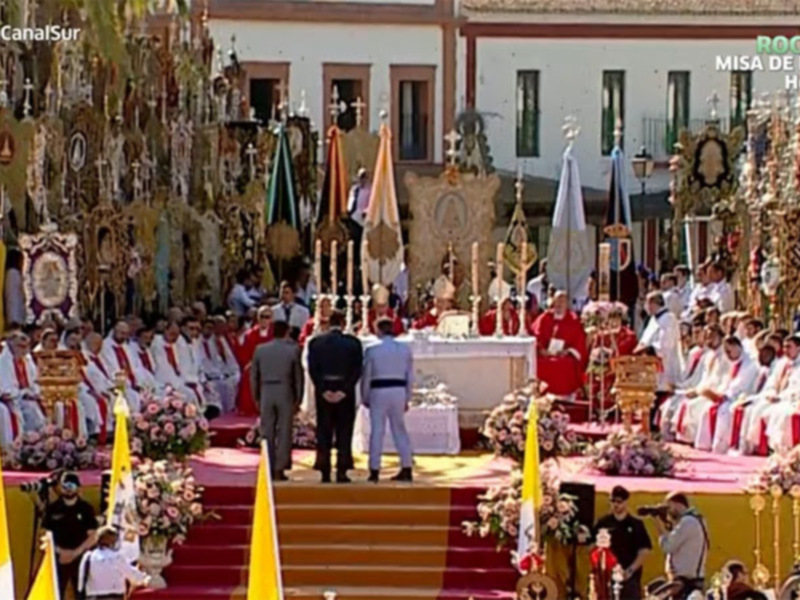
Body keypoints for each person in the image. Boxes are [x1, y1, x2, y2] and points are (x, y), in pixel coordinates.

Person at [308, 310, 363, 483]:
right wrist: (345, 390)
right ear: (343, 323)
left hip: (324, 388)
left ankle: (324, 469)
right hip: (344, 389)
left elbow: (313, 369)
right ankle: (342, 470)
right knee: (344, 431)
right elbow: (357, 369)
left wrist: (323, 389)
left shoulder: (316, 342)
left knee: (324, 430)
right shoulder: (353, 343)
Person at [362, 317, 414, 483]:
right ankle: (407, 466)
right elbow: (410, 375)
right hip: (398, 390)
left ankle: (374, 469)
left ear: (378, 330)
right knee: (399, 429)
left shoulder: (372, 350)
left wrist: (365, 396)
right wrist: (407, 396)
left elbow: (367, 375)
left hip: (378, 390)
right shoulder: (404, 349)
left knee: (377, 430)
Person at [251, 320, 303, 480]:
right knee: (284, 430)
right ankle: (280, 467)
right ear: (287, 332)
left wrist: (256, 397)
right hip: (285, 390)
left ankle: (267, 465)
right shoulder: (293, 350)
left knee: (267, 430)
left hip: (266, 390)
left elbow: (254, 376)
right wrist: (298, 398)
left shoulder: (260, 349)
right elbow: (298, 376)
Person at [694, 336, 759, 454]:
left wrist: (725, 395)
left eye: (729, 351)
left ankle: (723, 447)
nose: (727, 355)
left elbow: (742, 384)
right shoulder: (732, 363)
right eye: (726, 352)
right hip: (729, 395)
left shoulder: (750, 364)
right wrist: (719, 392)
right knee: (707, 408)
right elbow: (726, 380)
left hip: (742, 397)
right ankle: (704, 445)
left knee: (724, 410)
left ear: (737, 346)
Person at [42, 472, 98, 598]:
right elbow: (45, 534)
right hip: (58, 559)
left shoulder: (86, 509)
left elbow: (93, 536)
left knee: (81, 594)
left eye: (71, 486)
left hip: (81, 559)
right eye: (65, 486)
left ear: (78, 488)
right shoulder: (53, 509)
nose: (68, 490)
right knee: (57, 593)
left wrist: (74, 553)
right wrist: (60, 551)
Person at [594, 486, 652, 600]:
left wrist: (630, 570)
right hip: (606, 576)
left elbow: (644, 550)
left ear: (626, 502)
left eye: (619, 501)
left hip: (629, 576)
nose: (616, 505)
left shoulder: (636, 524)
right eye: (613, 501)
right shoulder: (603, 523)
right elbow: (593, 547)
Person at [635, 292, 681, 427]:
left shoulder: (669, 318)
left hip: (664, 363)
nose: (646, 307)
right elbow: (645, 339)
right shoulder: (654, 319)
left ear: (653, 303)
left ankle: (654, 425)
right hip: (650, 363)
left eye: (647, 303)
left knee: (659, 392)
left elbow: (666, 343)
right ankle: (648, 423)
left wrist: (648, 349)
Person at [530, 290, 587, 397]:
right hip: (545, 354)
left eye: (563, 301)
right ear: (553, 302)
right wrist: (541, 349)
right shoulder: (544, 317)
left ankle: (563, 395)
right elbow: (535, 335)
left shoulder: (573, 319)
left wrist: (567, 351)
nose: (560, 304)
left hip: (564, 356)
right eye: (557, 301)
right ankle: (539, 393)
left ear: (567, 304)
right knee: (538, 363)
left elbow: (579, 342)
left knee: (565, 364)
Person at [653, 492, 709, 600]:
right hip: (692, 580)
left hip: (685, 582)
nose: (668, 511)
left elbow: (668, 546)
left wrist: (658, 524)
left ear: (677, 504)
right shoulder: (696, 520)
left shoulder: (687, 522)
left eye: (669, 507)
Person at [78, 525, 150, 600]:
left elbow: (81, 583)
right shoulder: (117, 558)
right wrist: (144, 578)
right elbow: (133, 576)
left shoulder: (88, 557)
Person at [0, 332, 47, 445]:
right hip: (11, 398)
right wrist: (21, 393)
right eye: (20, 346)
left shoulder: (28, 361)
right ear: (11, 345)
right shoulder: (3, 362)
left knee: (35, 412)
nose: (24, 350)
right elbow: (5, 387)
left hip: (26, 398)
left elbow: (35, 381)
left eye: (26, 347)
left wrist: (33, 393)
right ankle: (15, 444)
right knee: (15, 413)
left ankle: (36, 443)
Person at [237, 306, 275, 416]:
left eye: (267, 317)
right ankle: (250, 408)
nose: (264, 320)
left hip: (272, 364)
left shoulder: (275, 333)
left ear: (271, 319)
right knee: (248, 374)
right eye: (262, 317)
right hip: (255, 364)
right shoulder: (250, 334)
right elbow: (245, 353)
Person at [100, 321, 142, 412]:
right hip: (117, 384)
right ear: (114, 331)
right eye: (122, 333)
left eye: (126, 334)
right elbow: (110, 368)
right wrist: (124, 382)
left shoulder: (127, 347)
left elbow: (135, 366)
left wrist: (138, 381)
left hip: (131, 384)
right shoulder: (105, 347)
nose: (124, 337)